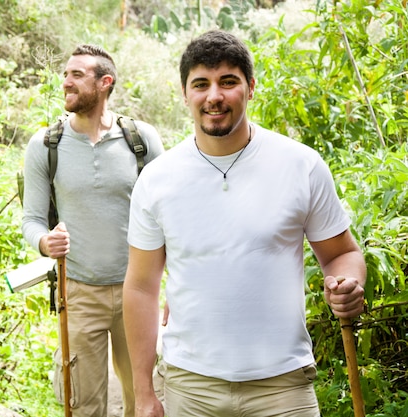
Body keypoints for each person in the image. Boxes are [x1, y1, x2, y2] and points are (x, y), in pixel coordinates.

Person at [123, 30, 366, 417]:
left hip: (283, 386)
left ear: (251, 88)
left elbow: (342, 254)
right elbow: (140, 288)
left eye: (228, 82)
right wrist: (142, 392)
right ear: (185, 94)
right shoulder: (157, 179)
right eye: (201, 84)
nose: (214, 96)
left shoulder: (300, 165)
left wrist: (348, 283)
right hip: (191, 386)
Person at [22, 44, 165, 417]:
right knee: (83, 405)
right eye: (65, 74)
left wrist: (177, 288)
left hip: (140, 290)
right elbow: (31, 219)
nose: (65, 82)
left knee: (147, 401)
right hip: (79, 293)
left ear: (105, 83)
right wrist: (43, 241)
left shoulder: (142, 140)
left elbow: (169, 216)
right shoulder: (44, 146)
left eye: (76, 75)